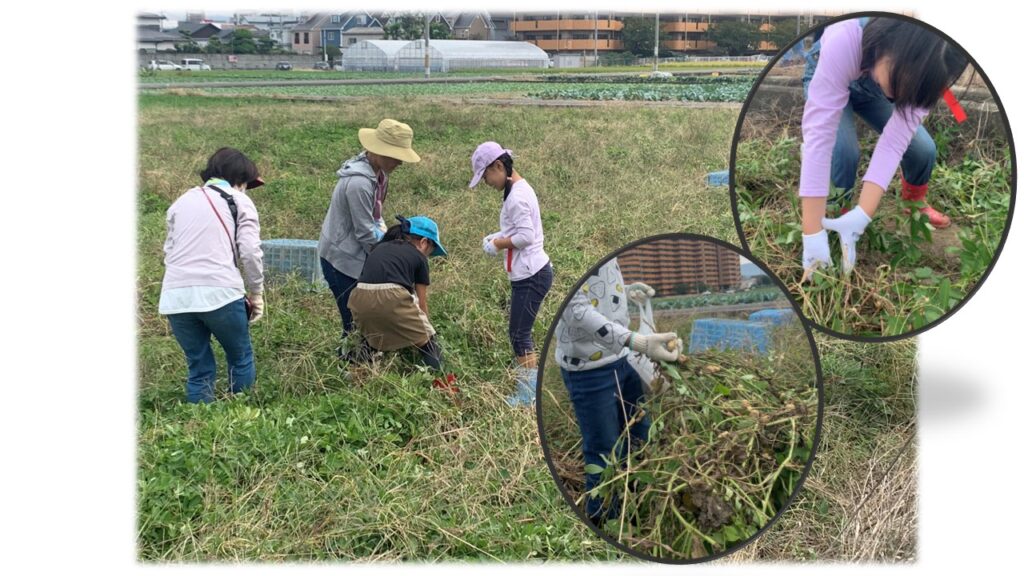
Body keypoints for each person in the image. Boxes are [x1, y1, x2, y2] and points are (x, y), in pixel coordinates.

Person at [799, 17, 968, 278]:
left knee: (923, 150)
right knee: (843, 152)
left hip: (876, 85)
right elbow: (819, 138)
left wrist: (863, 216)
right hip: (832, 69)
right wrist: (811, 233)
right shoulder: (845, 37)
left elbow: (893, 143)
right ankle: (834, 214)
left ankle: (896, 210)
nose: (904, 100)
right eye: (904, 86)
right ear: (898, 46)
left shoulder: (927, 76)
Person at [554, 258, 681, 524]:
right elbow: (575, 309)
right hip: (588, 370)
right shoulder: (559, 244)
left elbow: (598, 282)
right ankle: (607, 524)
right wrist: (639, 342)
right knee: (604, 450)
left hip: (622, 358)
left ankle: (634, 508)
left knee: (639, 435)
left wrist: (624, 291)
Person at [159, 147, 266, 403]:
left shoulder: (180, 202)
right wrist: (256, 293)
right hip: (221, 292)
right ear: (240, 179)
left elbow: (169, 250)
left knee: (198, 368)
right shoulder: (239, 200)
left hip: (176, 298)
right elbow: (250, 252)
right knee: (240, 356)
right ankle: (238, 416)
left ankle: (198, 423)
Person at [319, 119, 421, 345]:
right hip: (341, 259)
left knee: (365, 318)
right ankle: (351, 366)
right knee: (354, 321)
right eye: (396, 156)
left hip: (357, 253)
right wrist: (389, 258)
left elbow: (375, 217)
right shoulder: (359, 184)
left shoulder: (379, 175)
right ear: (379, 150)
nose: (400, 163)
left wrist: (387, 239)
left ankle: (363, 360)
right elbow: (365, 233)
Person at [469, 141, 553, 407]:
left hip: (531, 275)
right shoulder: (519, 188)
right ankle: (528, 385)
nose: (486, 182)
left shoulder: (516, 196)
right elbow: (520, 228)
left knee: (519, 334)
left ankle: (529, 395)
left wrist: (498, 244)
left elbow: (526, 236)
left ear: (499, 166)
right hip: (531, 271)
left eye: (485, 176)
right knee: (520, 331)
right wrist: (501, 235)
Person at [347, 216, 447, 369]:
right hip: (392, 295)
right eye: (431, 251)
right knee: (427, 340)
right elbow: (421, 303)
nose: (428, 256)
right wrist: (424, 329)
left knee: (373, 337)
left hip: (359, 297)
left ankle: (357, 372)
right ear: (424, 242)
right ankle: (442, 379)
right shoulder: (420, 258)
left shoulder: (380, 247)